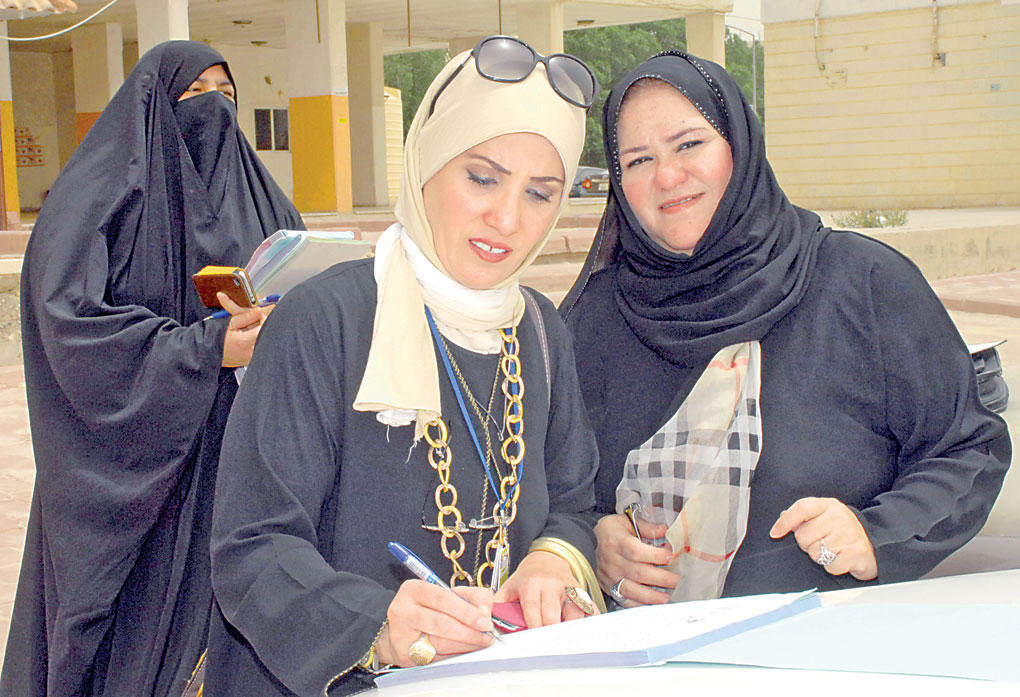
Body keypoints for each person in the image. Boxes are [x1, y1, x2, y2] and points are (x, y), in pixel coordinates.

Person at [202, 36, 603, 697]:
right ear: (426, 163)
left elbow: (573, 502)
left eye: (540, 192)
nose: (507, 218)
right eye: (482, 177)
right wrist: (377, 625)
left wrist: (551, 560)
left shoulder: (539, 331)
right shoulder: (325, 320)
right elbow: (253, 545)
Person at [560, 51, 1011, 605]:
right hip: (640, 651)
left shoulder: (861, 282)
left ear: (739, 144)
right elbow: (550, 488)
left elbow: (968, 447)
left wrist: (879, 533)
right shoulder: (593, 320)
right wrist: (588, 542)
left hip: (830, 641)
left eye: (689, 144)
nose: (668, 176)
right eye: (637, 160)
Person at [1, 41, 304, 697]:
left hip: (240, 451)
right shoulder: (98, 200)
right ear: (154, 106)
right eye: (195, 94)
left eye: (227, 94)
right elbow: (67, 322)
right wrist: (202, 349)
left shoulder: (261, 198)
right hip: (140, 466)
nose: (215, 108)